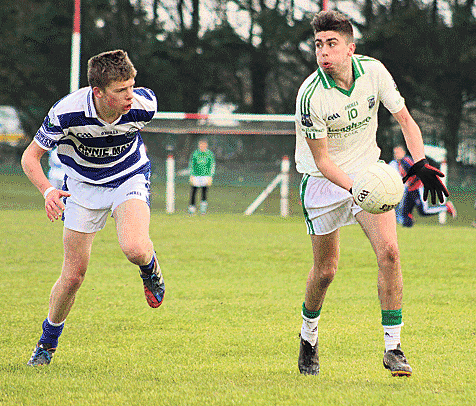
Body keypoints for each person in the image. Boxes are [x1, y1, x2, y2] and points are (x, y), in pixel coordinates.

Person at [294, 11, 449, 377]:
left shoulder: (374, 72)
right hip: (323, 182)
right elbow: (323, 160)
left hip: (368, 171)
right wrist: (355, 188)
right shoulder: (310, 97)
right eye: (318, 45)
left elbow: (406, 121)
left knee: (391, 253)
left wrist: (420, 162)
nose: (324, 53)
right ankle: (309, 336)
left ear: (351, 48)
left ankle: (393, 348)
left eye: (332, 44)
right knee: (326, 271)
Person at [21, 49, 165, 367]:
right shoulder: (67, 112)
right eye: (121, 90)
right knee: (73, 276)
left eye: (132, 86)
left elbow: (135, 109)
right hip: (82, 188)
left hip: (128, 177)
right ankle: (46, 344)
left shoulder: (145, 106)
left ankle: (150, 268)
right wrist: (47, 191)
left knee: (135, 248)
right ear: (98, 92)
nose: (130, 95)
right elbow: (29, 157)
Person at [391, 145, 456, 227]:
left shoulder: (406, 160)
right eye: (395, 153)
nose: (395, 154)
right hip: (410, 189)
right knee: (405, 212)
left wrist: (410, 182)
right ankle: (408, 228)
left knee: (424, 211)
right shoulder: (400, 163)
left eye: (397, 152)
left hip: (417, 188)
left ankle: (446, 207)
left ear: (403, 152)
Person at [188, 138, 215, 215]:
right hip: (196, 176)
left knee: (204, 192)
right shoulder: (195, 153)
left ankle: (203, 209)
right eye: (201, 145)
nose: (202, 146)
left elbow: (212, 165)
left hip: (205, 176)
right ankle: (192, 208)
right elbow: (192, 164)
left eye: (204, 145)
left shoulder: (209, 154)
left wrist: (210, 176)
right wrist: (192, 175)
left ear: (206, 145)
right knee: (193, 191)